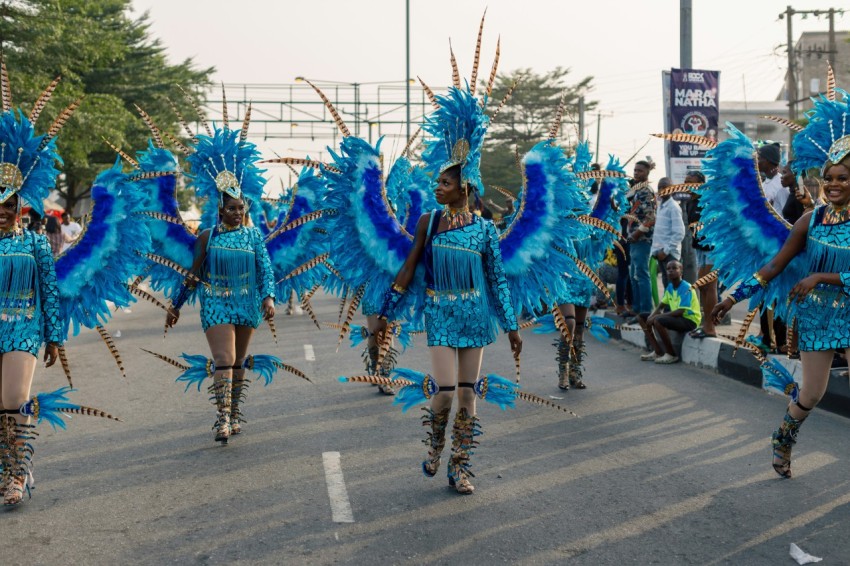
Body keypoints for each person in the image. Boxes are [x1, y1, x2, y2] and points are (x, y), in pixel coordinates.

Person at [712, 116, 850, 479]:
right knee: (813, 394)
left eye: (843, 178)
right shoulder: (811, 221)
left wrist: (820, 275)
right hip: (817, 318)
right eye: (830, 177)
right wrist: (732, 297)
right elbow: (772, 266)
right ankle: (783, 438)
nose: (834, 185)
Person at [375, 161, 521, 495]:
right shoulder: (429, 222)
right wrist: (387, 311)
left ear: (464, 188)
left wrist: (511, 327)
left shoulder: (485, 230)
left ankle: (460, 466)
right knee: (444, 391)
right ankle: (436, 444)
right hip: (439, 311)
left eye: (445, 183)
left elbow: (497, 280)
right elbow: (409, 267)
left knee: (468, 392)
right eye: (437, 182)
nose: (437, 188)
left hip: (475, 315)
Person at [166, 191, 276, 444]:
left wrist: (268, 297)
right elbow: (194, 274)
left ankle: (235, 412)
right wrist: (176, 304)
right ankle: (223, 416)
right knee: (224, 359)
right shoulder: (208, 236)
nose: (238, 213)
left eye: (241, 208)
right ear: (221, 210)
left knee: (238, 361)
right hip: (216, 302)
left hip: (246, 302)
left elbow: (265, 269)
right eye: (232, 208)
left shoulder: (253, 235)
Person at [0, 193, 63, 505]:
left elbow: (50, 291)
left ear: (19, 208)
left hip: (23, 327)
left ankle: (17, 472)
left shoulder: (35, 242)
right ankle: (10, 464)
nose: (2, 211)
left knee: (13, 398)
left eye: (9, 205)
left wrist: (53, 337)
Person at [638, 260, 700, 364]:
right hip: (678, 318)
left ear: (681, 271)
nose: (671, 271)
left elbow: (680, 311)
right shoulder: (670, 287)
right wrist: (651, 316)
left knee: (658, 320)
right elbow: (661, 305)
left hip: (690, 320)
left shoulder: (686, 287)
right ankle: (657, 351)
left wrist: (656, 317)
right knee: (641, 317)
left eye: (674, 268)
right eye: (668, 269)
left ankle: (671, 354)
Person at [683, 171, 718, 339]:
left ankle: (711, 327)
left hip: (713, 247)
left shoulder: (709, 199)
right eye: (685, 182)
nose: (687, 185)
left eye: (691, 182)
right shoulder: (690, 202)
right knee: (702, 286)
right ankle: (706, 325)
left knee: (709, 285)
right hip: (699, 248)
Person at [625, 159, 656, 320]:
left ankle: (645, 310)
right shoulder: (637, 190)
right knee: (634, 275)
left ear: (647, 173)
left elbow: (651, 217)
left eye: (640, 171)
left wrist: (637, 234)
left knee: (641, 274)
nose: (636, 173)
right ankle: (636, 309)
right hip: (634, 239)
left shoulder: (645, 191)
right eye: (635, 170)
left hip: (642, 239)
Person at [650, 177, 685, 289]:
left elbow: (679, 232)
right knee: (666, 283)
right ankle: (668, 307)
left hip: (669, 253)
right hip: (660, 252)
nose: (662, 190)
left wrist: (665, 251)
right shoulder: (661, 205)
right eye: (660, 187)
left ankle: (674, 307)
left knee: (673, 283)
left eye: (665, 187)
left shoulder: (673, 207)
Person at [758, 142, 787, 213]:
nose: (756, 161)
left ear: (767, 160)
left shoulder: (781, 185)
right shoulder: (764, 184)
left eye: (759, 158)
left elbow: (787, 215)